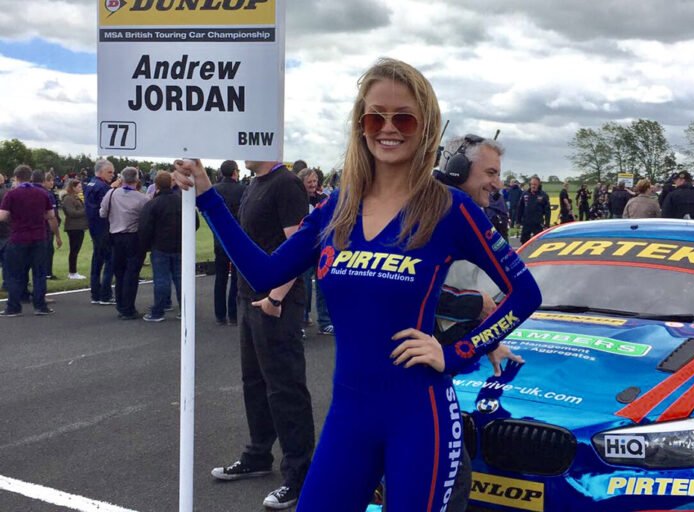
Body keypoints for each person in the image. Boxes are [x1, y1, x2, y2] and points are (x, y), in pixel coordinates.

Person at [174, 57, 541, 510]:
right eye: (375, 116)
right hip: (349, 415)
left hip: (419, 416)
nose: (388, 128)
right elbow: (266, 273)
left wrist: (455, 354)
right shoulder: (337, 209)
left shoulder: (450, 208)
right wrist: (208, 196)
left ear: (424, 126)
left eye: (403, 117)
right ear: (360, 125)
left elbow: (526, 293)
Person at [205, 156, 314, 510]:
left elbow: (297, 248)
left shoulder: (287, 185)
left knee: (285, 387)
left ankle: (299, 475)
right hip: (247, 297)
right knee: (254, 381)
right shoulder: (254, 183)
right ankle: (257, 454)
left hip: (275, 302)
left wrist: (276, 297)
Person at [431, 133, 510, 512]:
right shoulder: (427, 212)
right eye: (490, 172)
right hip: (409, 371)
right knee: (450, 478)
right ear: (459, 168)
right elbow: (412, 291)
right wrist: (472, 304)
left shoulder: (461, 212)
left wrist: (490, 340)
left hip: (434, 364)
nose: (497, 183)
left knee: (453, 476)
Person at [139, 171, 197, 322]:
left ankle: (159, 310)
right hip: (180, 245)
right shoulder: (182, 201)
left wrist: (146, 245)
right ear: (171, 183)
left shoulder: (152, 204)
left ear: (156, 185)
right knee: (180, 278)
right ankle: (185, 309)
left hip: (160, 245)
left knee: (161, 279)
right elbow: (195, 223)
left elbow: (145, 227)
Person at [0, 165, 56, 316]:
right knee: (39, 273)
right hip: (39, 236)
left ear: (16, 177)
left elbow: (2, 216)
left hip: (19, 237)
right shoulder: (41, 193)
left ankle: (14, 306)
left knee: (15, 273)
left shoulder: (11, 194)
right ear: (30, 177)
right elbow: (50, 215)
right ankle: (40, 305)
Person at [100, 167, 150, 320]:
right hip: (133, 237)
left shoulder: (111, 193)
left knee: (119, 272)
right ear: (137, 180)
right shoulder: (143, 199)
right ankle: (128, 308)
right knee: (132, 273)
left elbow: (102, 213)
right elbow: (146, 220)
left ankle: (121, 305)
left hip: (115, 236)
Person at [296, 167, 334, 335]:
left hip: (322, 249)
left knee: (323, 286)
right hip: (304, 250)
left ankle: (325, 322)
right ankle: (301, 321)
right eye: (309, 182)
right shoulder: (296, 200)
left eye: (314, 181)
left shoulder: (324, 198)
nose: (313, 185)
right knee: (303, 287)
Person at [212, 160, 245, 325]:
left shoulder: (215, 189)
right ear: (234, 172)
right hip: (236, 238)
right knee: (235, 280)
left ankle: (220, 314)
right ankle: (233, 314)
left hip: (219, 238)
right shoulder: (242, 190)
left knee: (220, 278)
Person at [85, 159, 116, 305]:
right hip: (104, 227)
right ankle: (105, 294)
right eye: (109, 172)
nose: (112, 175)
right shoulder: (103, 187)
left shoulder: (90, 184)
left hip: (94, 227)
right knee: (109, 260)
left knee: (97, 261)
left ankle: (95, 293)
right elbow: (108, 207)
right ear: (101, 171)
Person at [60, 179, 88, 279]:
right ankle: (72, 272)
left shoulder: (75, 198)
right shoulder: (68, 199)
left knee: (76, 249)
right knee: (74, 250)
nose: (81, 188)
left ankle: (73, 271)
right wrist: (86, 210)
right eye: (79, 187)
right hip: (74, 227)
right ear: (73, 187)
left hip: (79, 226)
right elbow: (71, 213)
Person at [517, 176, 550, 244]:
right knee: (524, 242)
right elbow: (520, 208)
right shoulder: (525, 194)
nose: (533, 186)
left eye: (535, 184)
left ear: (539, 185)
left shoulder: (543, 195)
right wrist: (518, 221)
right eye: (532, 184)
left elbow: (547, 211)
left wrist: (547, 224)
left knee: (539, 242)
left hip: (538, 223)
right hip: (526, 222)